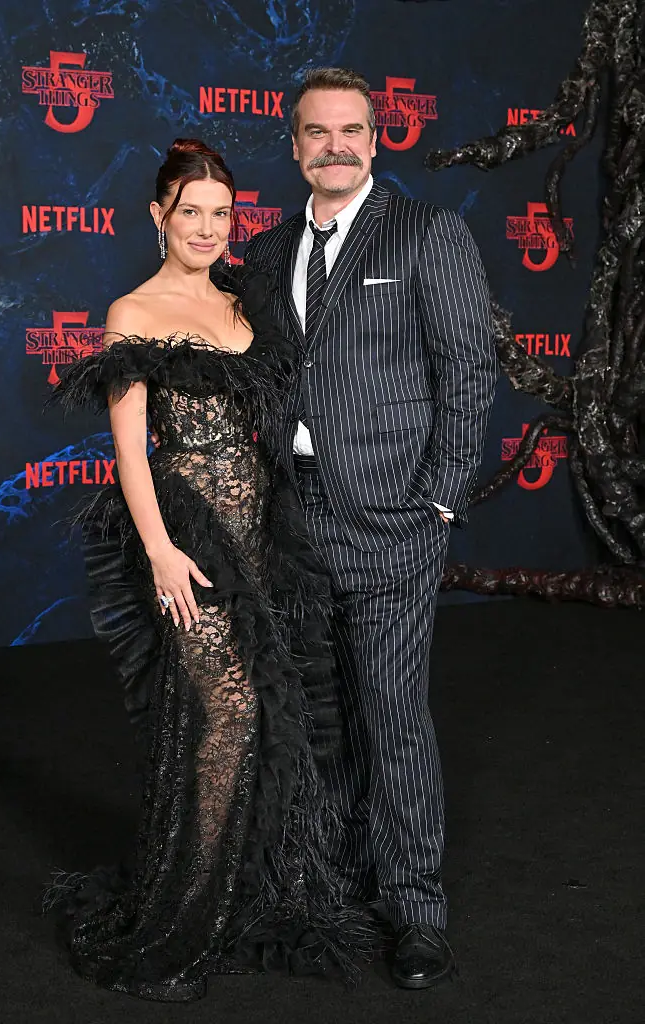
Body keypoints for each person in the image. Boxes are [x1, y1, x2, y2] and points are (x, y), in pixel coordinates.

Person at [45, 138, 371, 1002]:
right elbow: (129, 455)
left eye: (220, 213)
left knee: (263, 713)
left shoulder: (242, 302)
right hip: (188, 542)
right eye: (188, 211)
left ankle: (241, 899)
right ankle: (180, 913)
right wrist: (158, 553)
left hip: (262, 536)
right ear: (158, 217)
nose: (205, 226)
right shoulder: (133, 312)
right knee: (220, 712)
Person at [244, 67, 498, 989]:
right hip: (296, 512)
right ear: (294, 143)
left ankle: (415, 906)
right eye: (318, 132)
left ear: (376, 139)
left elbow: (469, 369)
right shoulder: (269, 253)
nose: (336, 146)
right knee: (325, 715)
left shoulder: (426, 232)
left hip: (394, 519)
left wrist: (435, 499)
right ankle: (338, 881)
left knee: (392, 716)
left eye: (352, 130)